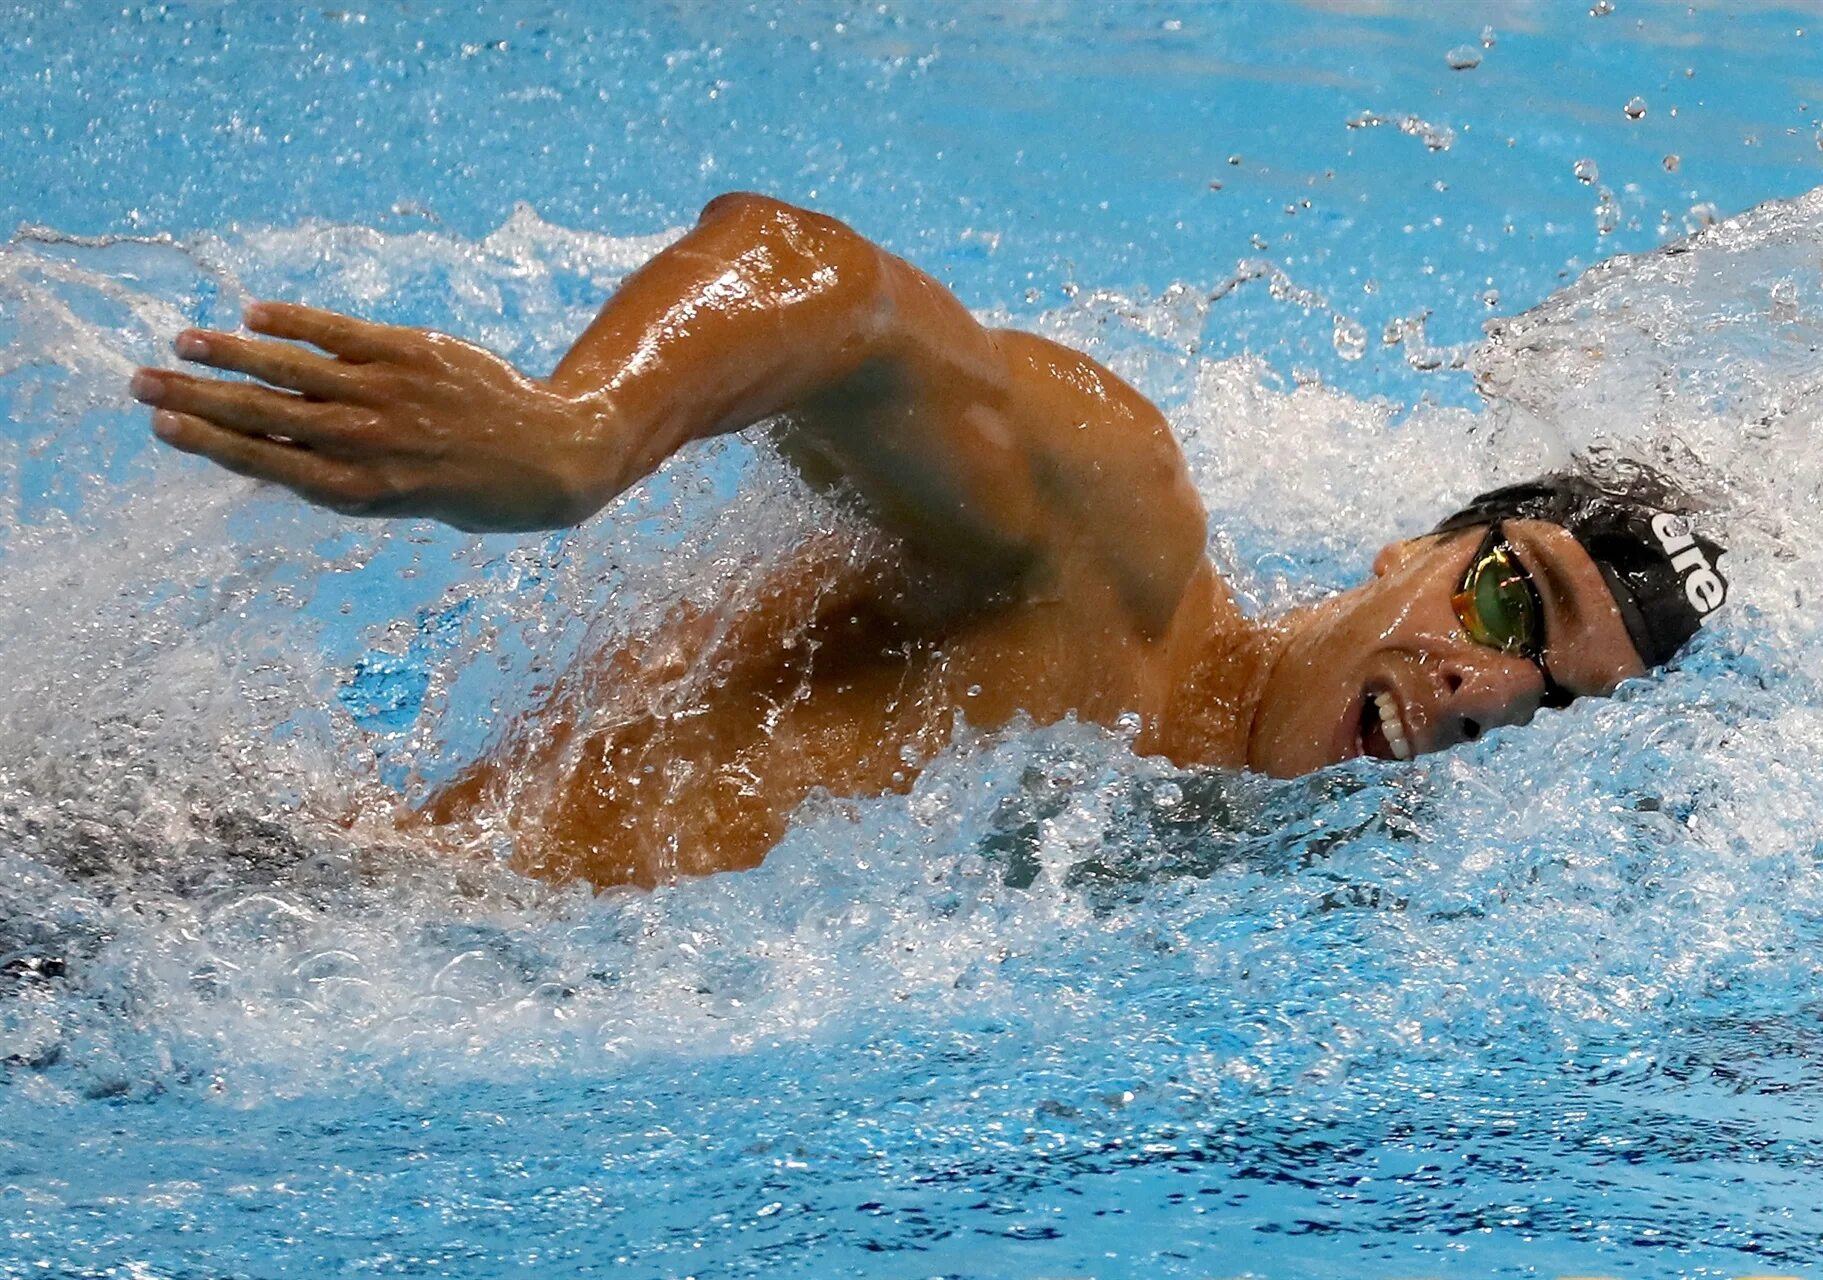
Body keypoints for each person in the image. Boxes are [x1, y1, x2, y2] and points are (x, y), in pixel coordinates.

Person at [127, 193, 1727, 889]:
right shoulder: (1118, 550)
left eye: (1553, 708)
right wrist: (576, 438)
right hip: (214, 907)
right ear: (1413, 547)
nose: (1480, 693)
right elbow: (825, 279)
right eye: (1515, 600)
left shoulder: (1209, 847)